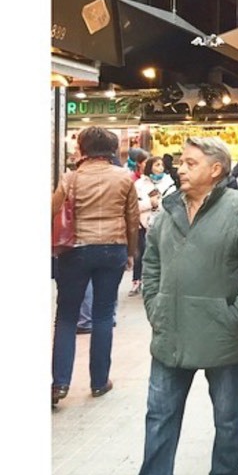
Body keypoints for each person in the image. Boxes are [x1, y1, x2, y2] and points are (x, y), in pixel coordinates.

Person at [123, 136, 238, 475]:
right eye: (182, 162)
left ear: (216, 169)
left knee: (227, 417)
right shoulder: (170, 208)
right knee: (159, 417)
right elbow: (153, 258)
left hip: (223, 334)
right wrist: (155, 306)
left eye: (191, 163)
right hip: (171, 332)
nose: (180, 168)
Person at [51, 126, 140, 407]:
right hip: (112, 248)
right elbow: (132, 217)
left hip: (75, 251)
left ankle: (60, 383)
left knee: (66, 316)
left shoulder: (71, 178)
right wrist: (131, 252)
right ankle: (99, 382)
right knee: (103, 314)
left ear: (84, 149)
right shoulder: (125, 177)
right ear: (112, 150)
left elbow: (52, 211)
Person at [131, 155, 176, 295]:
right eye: (156, 165)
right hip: (143, 224)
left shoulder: (169, 183)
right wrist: (150, 203)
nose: (160, 168)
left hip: (163, 224)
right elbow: (133, 205)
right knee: (141, 254)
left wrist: (160, 205)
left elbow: (173, 204)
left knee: (160, 253)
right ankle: (137, 280)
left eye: (161, 165)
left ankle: (157, 282)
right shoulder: (139, 184)